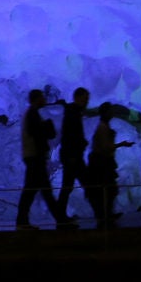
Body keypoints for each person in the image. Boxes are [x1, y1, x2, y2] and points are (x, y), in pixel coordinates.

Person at [15, 89, 74, 229]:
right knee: (41, 191)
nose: (45, 99)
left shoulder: (32, 114)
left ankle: (23, 221)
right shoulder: (32, 114)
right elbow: (39, 134)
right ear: (36, 99)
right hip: (35, 157)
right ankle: (61, 220)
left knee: (33, 191)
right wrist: (47, 127)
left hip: (33, 157)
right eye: (42, 97)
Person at [85, 102, 134, 230]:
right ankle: (105, 216)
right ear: (106, 113)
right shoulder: (102, 127)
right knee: (107, 190)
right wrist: (121, 144)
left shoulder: (104, 126)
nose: (112, 113)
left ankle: (106, 214)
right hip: (102, 163)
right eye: (110, 111)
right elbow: (105, 147)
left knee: (108, 190)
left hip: (103, 162)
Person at [55, 87, 92, 221]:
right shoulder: (72, 113)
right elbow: (70, 135)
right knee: (86, 184)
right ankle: (103, 214)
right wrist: (80, 144)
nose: (86, 101)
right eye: (84, 98)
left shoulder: (73, 112)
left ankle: (60, 215)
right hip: (73, 156)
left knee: (68, 186)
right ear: (77, 97)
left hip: (72, 155)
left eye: (87, 99)